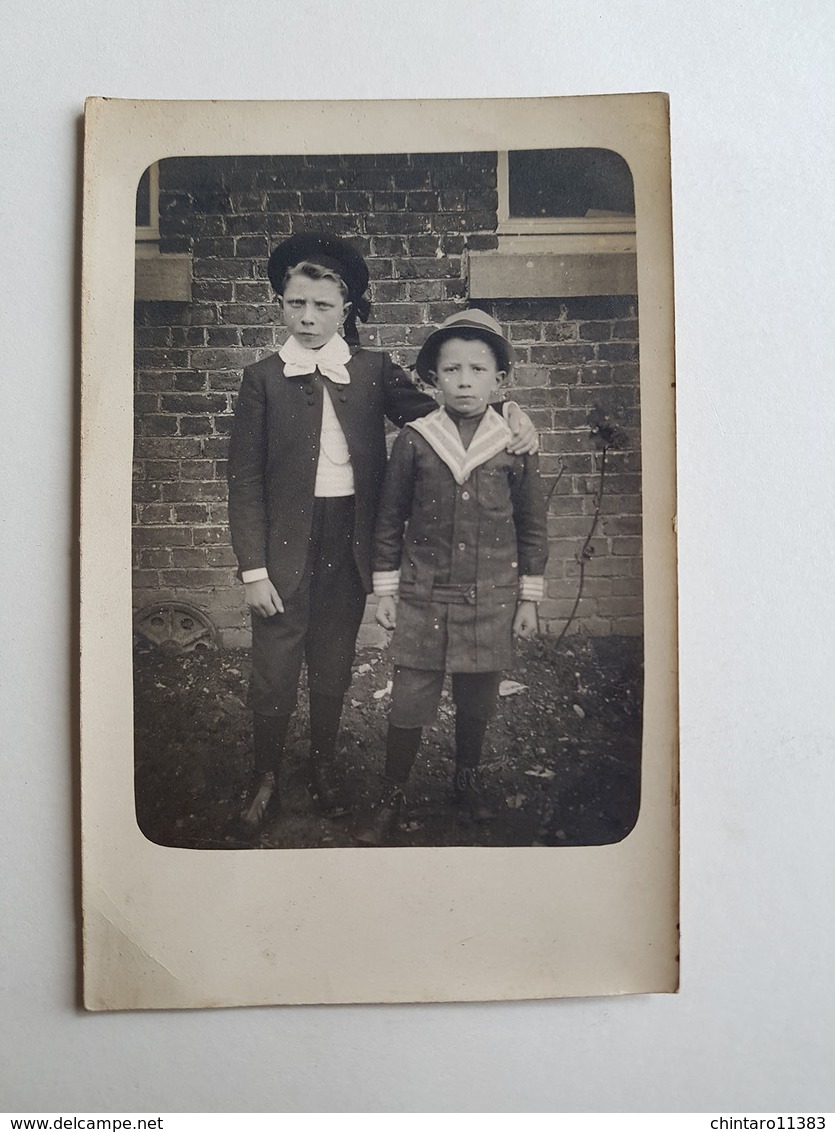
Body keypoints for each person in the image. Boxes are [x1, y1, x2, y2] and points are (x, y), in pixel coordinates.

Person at [227, 234, 538, 839]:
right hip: (286, 545)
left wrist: (513, 414)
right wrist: (253, 569)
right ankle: (264, 777)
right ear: (280, 305)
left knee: (333, 659)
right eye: (296, 304)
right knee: (275, 660)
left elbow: (444, 408)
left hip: (348, 541)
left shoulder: (370, 372)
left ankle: (322, 766)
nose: (309, 318)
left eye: (322, 306)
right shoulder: (262, 379)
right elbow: (243, 480)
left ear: (347, 309)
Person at [355, 309, 549, 846]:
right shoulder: (416, 441)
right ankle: (391, 795)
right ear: (432, 379)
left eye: (478, 370)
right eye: (452, 370)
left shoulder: (515, 443)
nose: (464, 381)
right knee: (409, 698)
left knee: (477, 698)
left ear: (499, 381)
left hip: (491, 598)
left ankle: (466, 784)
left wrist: (528, 599)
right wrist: (386, 592)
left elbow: (533, 524)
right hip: (423, 595)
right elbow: (389, 520)